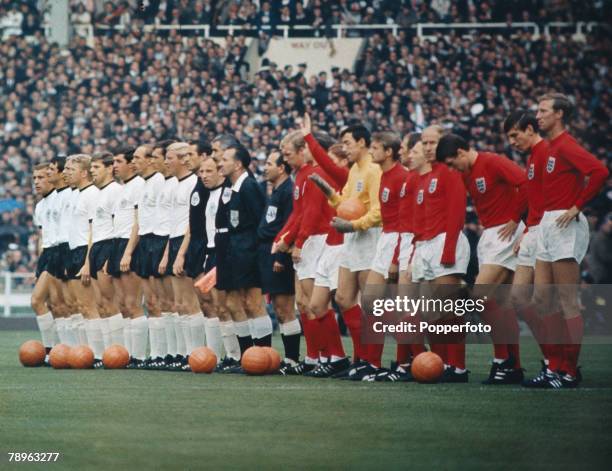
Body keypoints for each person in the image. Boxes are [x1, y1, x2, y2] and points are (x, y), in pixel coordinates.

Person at [437, 133, 528, 385]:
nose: (452, 169)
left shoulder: (492, 162)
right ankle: (514, 366)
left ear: (462, 152)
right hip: (491, 235)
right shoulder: (465, 172)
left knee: (479, 296)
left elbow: (525, 182)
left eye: (452, 163)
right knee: (502, 303)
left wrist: (514, 218)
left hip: (505, 233)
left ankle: (503, 360)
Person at [531, 92, 609, 388]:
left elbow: (599, 171)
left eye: (543, 110)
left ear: (560, 114)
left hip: (564, 222)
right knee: (543, 298)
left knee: (567, 300)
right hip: (549, 222)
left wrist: (577, 206)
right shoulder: (551, 147)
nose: (538, 116)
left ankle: (568, 370)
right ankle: (554, 367)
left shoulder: (566, 145)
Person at [310, 123, 382, 380]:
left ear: (362, 143)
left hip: (366, 237)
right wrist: (329, 193)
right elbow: (345, 204)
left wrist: (353, 225)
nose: (345, 148)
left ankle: (372, 363)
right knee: (343, 298)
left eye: (349, 143)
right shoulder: (354, 170)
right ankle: (361, 358)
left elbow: (377, 210)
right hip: (351, 236)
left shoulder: (373, 170)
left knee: (370, 304)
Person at [273, 130, 336, 374]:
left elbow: (311, 214)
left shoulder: (315, 174)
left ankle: (329, 356)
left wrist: (297, 241)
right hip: (307, 240)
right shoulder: (302, 175)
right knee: (302, 303)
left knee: (315, 304)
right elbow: (297, 214)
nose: (284, 159)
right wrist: (284, 237)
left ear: (303, 151)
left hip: (317, 240)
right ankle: (313, 357)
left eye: (288, 154)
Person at [412, 126, 470, 383]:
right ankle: (439, 362)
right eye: (424, 142)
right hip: (425, 245)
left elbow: (457, 211)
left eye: (432, 142)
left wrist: (448, 249)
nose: (427, 147)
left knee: (449, 309)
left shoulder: (450, 171)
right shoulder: (426, 175)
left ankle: (457, 367)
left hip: (446, 243)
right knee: (430, 311)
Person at [503, 110, 552, 384]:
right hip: (534, 231)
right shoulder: (534, 156)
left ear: (531, 129)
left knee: (548, 302)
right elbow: (534, 197)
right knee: (519, 299)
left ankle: (559, 364)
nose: (512, 141)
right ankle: (552, 361)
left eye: (515, 134)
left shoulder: (546, 152)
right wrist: (526, 227)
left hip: (547, 233)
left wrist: (574, 208)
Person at [217, 143, 271, 358]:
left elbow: (260, 220)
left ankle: (265, 354)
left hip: (248, 252)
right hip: (234, 251)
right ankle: (248, 355)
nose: (220, 163)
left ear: (238, 164)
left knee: (253, 303)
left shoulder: (249, 186)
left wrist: (257, 252)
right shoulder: (231, 187)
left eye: (225, 159)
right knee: (233, 303)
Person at [257, 151, 301, 371]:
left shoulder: (288, 192)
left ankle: (293, 359)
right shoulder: (276, 190)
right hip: (268, 251)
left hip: (278, 255)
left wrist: (281, 256)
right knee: (278, 306)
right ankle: (290, 359)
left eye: (269, 163)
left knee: (285, 308)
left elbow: (289, 227)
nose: (265, 167)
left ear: (281, 168)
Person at [162, 142, 202, 371]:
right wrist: (168, 252)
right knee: (179, 304)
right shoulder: (175, 185)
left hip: (186, 243)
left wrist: (181, 253)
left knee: (190, 303)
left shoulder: (192, 184)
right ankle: (186, 354)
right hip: (174, 242)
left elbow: (190, 224)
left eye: (170, 157)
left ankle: (196, 355)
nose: (166, 162)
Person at [199, 155, 241, 366]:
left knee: (226, 306)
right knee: (214, 306)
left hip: (223, 253)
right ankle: (223, 356)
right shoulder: (209, 195)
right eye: (202, 172)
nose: (204, 176)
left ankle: (236, 356)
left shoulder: (228, 193)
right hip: (211, 252)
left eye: (209, 171)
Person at [63, 154, 104, 367]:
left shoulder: (92, 195)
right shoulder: (76, 194)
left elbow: (93, 231)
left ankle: (97, 355)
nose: (66, 172)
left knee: (89, 306)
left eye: (71, 169)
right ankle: (82, 353)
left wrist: (88, 261)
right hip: (73, 252)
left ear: (84, 172)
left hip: (84, 252)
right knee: (78, 305)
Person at [131, 144, 168, 369]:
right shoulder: (143, 184)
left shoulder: (161, 182)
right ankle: (155, 354)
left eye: (139, 157)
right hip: (145, 241)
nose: (135, 161)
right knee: (150, 302)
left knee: (161, 302)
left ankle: (164, 354)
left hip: (159, 239)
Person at [110, 147, 147, 368]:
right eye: (113, 161)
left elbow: (137, 222)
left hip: (129, 244)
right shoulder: (120, 189)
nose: (115, 165)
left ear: (130, 164)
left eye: (118, 161)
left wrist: (128, 251)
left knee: (133, 303)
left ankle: (139, 356)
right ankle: (127, 354)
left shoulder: (139, 186)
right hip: (117, 243)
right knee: (123, 304)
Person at [89, 152, 123, 352]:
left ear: (110, 168)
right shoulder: (98, 193)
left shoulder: (116, 191)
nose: (92, 171)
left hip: (109, 245)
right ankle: (105, 352)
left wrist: (112, 255)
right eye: (91, 168)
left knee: (111, 302)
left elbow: (117, 224)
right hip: (97, 246)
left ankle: (118, 350)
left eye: (96, 167)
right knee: (100, 304)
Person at [31, 163, 60, 363]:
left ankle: (51, 350)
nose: (37, 182)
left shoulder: (61, 199)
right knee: (55, 305)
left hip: (60, 252)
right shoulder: (40, 206)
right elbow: (42, 236)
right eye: (34, 178)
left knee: (37, 300)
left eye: (41, 177)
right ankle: (57, 349)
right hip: (47, 255)